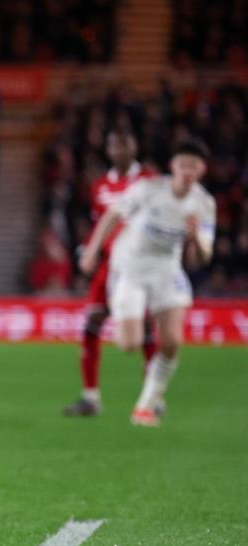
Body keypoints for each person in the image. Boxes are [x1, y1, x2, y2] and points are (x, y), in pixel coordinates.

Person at [78, 139, 215, 427]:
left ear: (202, 169)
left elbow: (203, 256)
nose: (188, 171)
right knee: (129, 343)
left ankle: (146, 406)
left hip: (167, 269)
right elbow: (113, 215)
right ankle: (133, 321)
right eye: (183, 165)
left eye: (194, 166)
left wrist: (194, 238)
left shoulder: (203, 204)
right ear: (173, 167)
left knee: (173, 342)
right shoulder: (149, 189)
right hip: (130, 266)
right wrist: (92, 251)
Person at [63, 131, 155, 417]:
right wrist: (90, 250)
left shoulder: (150, 181)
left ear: (135, 146)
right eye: (114, 144)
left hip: (142, 264)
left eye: (124, 143)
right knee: (92, 321)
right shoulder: (100, 186)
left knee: (147, 329)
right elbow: (99, 224)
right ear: (108, 149)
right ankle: (91, 398)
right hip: (110, 265)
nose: (119, 150)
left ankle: (153, 398)